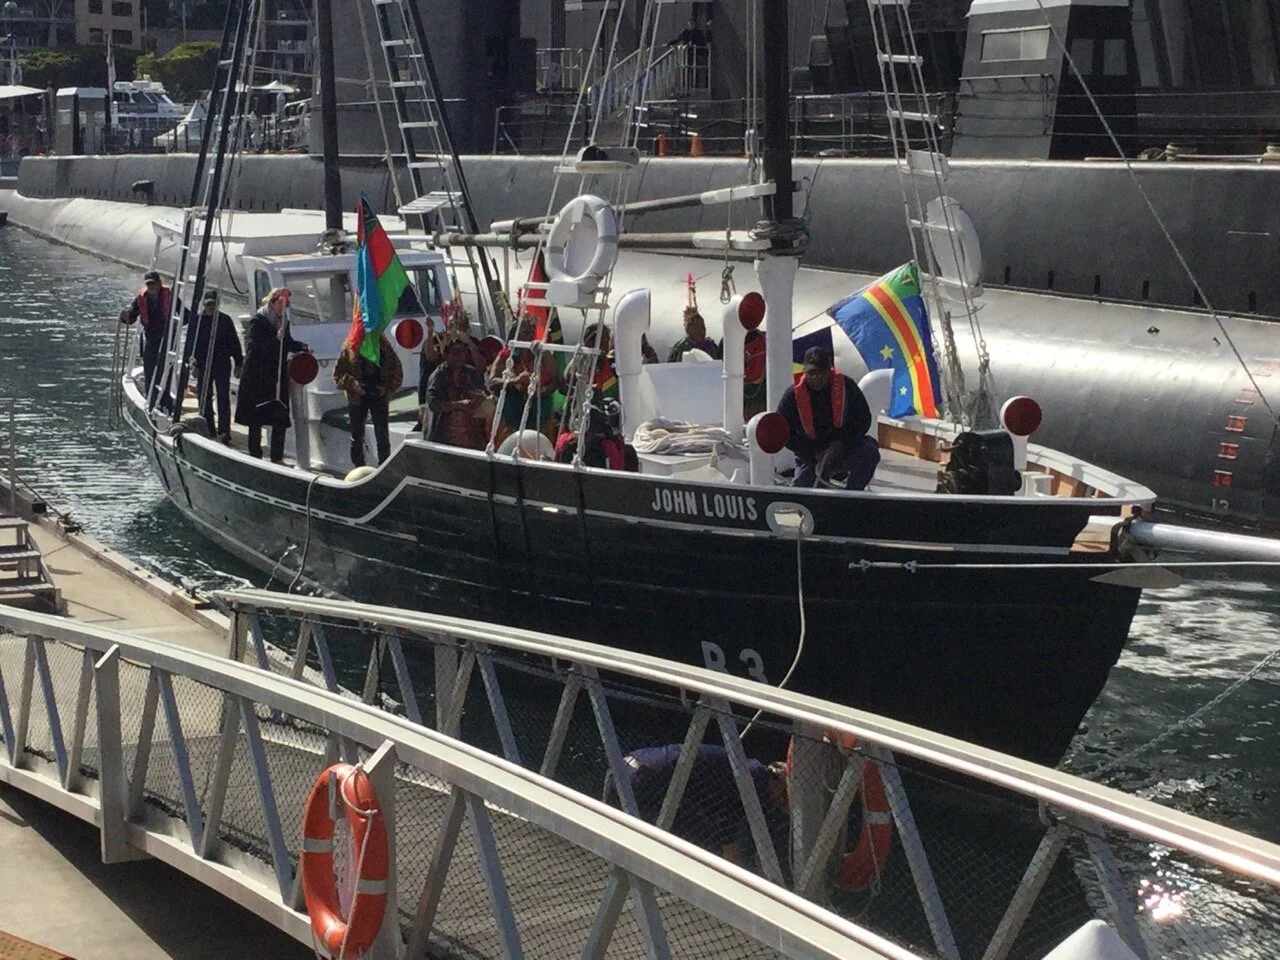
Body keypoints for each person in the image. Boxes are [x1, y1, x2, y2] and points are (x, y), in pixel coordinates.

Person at [602, 744, 788, 867]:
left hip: (624, 769)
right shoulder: (753, 780)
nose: (781, 801)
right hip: (644, 779)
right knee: (705, 845)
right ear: (777, 780)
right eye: (783, 794)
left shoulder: (747, 770)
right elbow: (726, 818)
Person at [777, 345, 880, 490]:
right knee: (800, 491)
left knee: (869, 452)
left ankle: (852, 496)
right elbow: (783, 431)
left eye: (821, 372)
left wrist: (842, 443)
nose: (816, 377)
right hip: (811, 455)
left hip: (844, 448)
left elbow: (863, 419)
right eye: (812, 373)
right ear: (804, 371)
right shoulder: (792, 395)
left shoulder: (847, 387)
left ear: (829, 370)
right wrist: (812, 453)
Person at [233, 287, 310, 464]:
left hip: (276, 374)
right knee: (256, 417)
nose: (284, 307)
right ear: (273, 302)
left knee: (279, 416)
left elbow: (287, 343)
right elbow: (257, 347)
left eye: (286, 304)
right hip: (258, 375)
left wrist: (301, 347)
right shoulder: (258, 321)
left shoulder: (283, 321)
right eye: (282, 303)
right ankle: (255, 453)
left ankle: (277, 457)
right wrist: (276, 338)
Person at [487, 316, 562, 444]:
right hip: (511, 415)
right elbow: (492, 382)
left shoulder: (543, 354)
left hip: (540, 415)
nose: (530, 337)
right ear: (515, 335)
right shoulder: (506, 356)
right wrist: (516, 380)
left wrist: (542, 391)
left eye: (532, 332)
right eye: (526, 333)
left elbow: (556, 380)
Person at [334, 333, 404, 468]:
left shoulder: (385, 350)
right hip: (357, 397)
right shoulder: (350, 350)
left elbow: (397, 373)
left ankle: (384, 467)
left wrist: (386, 389)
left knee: (382, 435)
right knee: (356, 435)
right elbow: (338, 376)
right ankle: (358, 467)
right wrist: (353, 384)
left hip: (379, 396)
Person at [184, 290, 243, 444]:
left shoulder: (225, 320)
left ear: (217, 304)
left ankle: (225, 432)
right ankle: (208, 428)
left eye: (213, 304)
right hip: (203, 364)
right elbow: (190, 346)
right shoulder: (197, 321)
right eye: (208, 304)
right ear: (204, 304)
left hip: (222, 363)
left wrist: (238, 363)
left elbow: (234, 343)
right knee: (204, 397)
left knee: (223, 397)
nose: (210, 307)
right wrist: (193, 365)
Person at [119, 270, 175, 401]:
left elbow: (185, 315)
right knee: (149, 366)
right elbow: (132, 316)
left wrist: (175, 326)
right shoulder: (141, 298)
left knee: (165, 368)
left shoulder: (170, 296)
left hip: (167, 338)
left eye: (153, 284)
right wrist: (124, 317)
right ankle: (151, 398)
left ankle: (165, 399)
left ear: (159, 284)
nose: (151, 287)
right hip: (151, 337)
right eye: (149, 285)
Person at [427, 335, 490, 449]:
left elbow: (485, 394)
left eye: (462, 352)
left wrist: (481, 398)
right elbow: (433, 403)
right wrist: (459, 405)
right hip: (445, 439)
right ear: (446, 355)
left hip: (472, 438)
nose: (459, 356)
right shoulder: (438, 376)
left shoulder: (471, 373)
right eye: (455, 353)